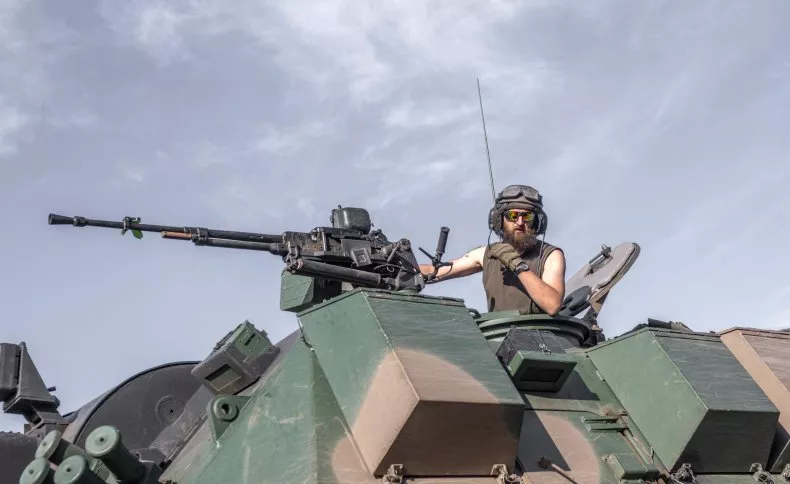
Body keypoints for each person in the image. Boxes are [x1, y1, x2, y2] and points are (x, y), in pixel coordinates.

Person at [418, 184, 566, 316]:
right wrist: (406, 264)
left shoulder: (550, 255)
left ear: (538, 222)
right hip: (500, 334)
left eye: (527, 216)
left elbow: (552, 305)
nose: (520, 222)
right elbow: (436, 271)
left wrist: (518, 265)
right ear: (499, 220)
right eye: (512, 215)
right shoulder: (487, 254)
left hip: (539, 334)